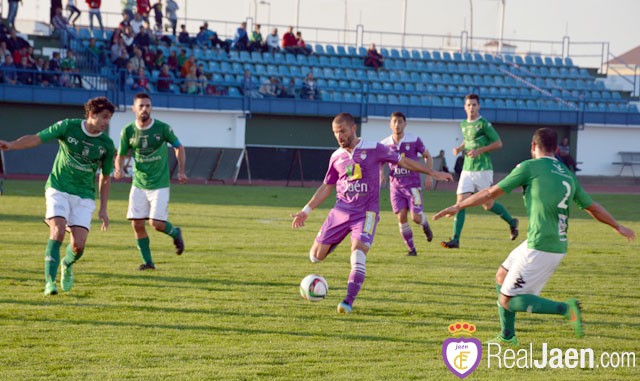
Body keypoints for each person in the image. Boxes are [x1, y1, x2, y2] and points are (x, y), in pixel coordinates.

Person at [433, 127, 635, 344]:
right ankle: (507, 337)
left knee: (507, 300)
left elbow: (491, 193)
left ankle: (567, 309)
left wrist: (459, 205)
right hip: (546, 241)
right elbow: (592, 206)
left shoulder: (529, 167)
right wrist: (617, 226)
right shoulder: (567, 174)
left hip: (542, 246)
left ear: (533, 147)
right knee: (502, 276)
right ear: (556, 149)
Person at [291, 113, 452, 314]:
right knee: (315, 256)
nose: (339, 136)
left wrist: (432, 173)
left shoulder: (374, 148)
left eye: (342, 131)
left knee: (358, 254)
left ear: (353, 129)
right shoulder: (336, 156)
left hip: (365, 214)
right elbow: (327, 186)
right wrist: (306, 210)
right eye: (335, 133)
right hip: (340, 212)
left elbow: (404, 161)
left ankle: (348, 301)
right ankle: (338, 238)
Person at [0, 97, 116, 295]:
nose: (107, 122)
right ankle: (49, 283)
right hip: (58, 188)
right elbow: (37, 138)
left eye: (109, 118)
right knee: (58, 230)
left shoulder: (107, 144)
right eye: (104, 117)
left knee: (78, 245)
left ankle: (67, 264)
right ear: (91, 114)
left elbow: (105, 178)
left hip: (84, 195)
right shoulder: (67, 126)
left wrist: (104, 208)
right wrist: (11, 145)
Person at [114, 93, 187, 270]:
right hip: (138, 183)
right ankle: (148, 262)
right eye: (141, 106)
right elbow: (122, 154)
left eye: (147, 105)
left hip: (159, 184)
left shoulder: (162, 128)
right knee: (137, 224)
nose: (144, 109)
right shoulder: (128, 131)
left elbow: (179, 147)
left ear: (151, 108)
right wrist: (118, 168)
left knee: (156, 224)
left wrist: (181, 171)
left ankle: (175, 232)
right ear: (134, 109)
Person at [441, 93, 519, 249]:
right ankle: (455, 240)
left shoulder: (484, 124)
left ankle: (512, 222)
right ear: (465, 107)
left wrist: (480, 151)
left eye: (474, 105)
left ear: (479, 106)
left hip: (482, 169)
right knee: (460, 204)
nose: (471, 107)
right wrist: (460, 148)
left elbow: (498, 143)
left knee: (488, 205)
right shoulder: (463, 124)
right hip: (467, 169)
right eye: (468, 105)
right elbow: (468, 140)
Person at [379, 112, 435, 256]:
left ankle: (425, 224)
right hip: (396, 187)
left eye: (400, 122)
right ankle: (411, 249)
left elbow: (427, 156)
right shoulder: (384, 144)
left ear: (405, 124)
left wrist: (429, 175)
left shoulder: (414, 139)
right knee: (401, 217)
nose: (397, 125)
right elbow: (380, 162)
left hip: (413, 185)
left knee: (415, 217)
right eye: (394, 122)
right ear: (390, 124)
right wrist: (381, 174)